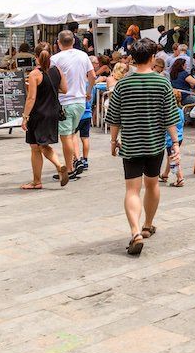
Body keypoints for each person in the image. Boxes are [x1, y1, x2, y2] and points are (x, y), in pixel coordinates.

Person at [104, 40, 180, 256]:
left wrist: (113, 141)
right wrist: (175, 143)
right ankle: (147, 224)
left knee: (132, 189)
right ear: (151, 58)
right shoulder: (162, 83)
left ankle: (135, 232)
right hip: (154, 143)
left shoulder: (123, 84)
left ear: (133, 59)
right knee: (152, 183)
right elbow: (170, 117)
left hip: (131, 143)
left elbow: (114, 118)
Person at [20, 47, 69, 190]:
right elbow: (65, 89)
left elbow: (31, 97)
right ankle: (40, 179)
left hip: (38, 114)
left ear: (36, 57)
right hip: (53, 112)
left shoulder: (35, 74)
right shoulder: (57, 70)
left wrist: (25, 117)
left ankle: (56, 169)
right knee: (39, 145)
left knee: (37, 147)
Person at [51, 30, 95, 181]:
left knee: (66, 138)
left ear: (58, 42)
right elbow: (93, 76)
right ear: (74, 42)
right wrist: (88, 92)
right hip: (80, 102)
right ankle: (74, 163)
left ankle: (69, 169)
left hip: (65, 102)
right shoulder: (83, 55)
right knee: (71, 135)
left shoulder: (55, 59)